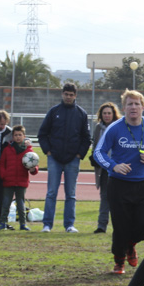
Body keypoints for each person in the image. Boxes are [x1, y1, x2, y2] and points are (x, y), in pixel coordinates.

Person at [93, 90, 144, 274]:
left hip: (142, 184)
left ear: (143, 106)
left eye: (137, 104)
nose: (133, 107)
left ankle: (131, 245)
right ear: (123, 107)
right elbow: (98, 153)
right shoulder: (114, 128)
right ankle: (119, 260)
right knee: (121, 226)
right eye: (129, 104)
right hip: (118, 185)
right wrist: (113, 166)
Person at [37, 83, 91, 233]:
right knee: (51, 193)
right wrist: (48, 151)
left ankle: (69, 225)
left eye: (71, 94)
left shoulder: (81, 114)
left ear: (75, 96)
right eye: (66, 94)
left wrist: (79, 154)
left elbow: (86, 138)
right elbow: (42, 134)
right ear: (62, 94)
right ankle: (47, 224)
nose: (68, 97)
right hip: (54, 158)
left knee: (71, 194)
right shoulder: (54, 112)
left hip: (73, 160)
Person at [0, 125, 38, 231]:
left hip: (21, 181)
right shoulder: (7, 149)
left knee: (21, 203)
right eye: (15, 135)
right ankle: (2, 222)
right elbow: (2, 163)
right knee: (6, 202)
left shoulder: (29, 151)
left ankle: (23, 223)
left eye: (20, 135)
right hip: (9, 181)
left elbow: (34, 165)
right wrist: (3, 175)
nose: (18, 137)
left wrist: (34, 170)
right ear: (12, 136)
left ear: (24, 136)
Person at [90, 102, 121, 234]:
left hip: (117, 168)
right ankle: (101, 226)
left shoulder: (119, 127)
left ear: (114, 114)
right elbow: (95, 146)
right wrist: (95, 159)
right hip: (103, 169)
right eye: (104, 113)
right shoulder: (98, 128)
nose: (107, 115)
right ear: (101, 115)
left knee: (118, 198)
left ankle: (119, 226)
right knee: (104, 197)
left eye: (109, 113)